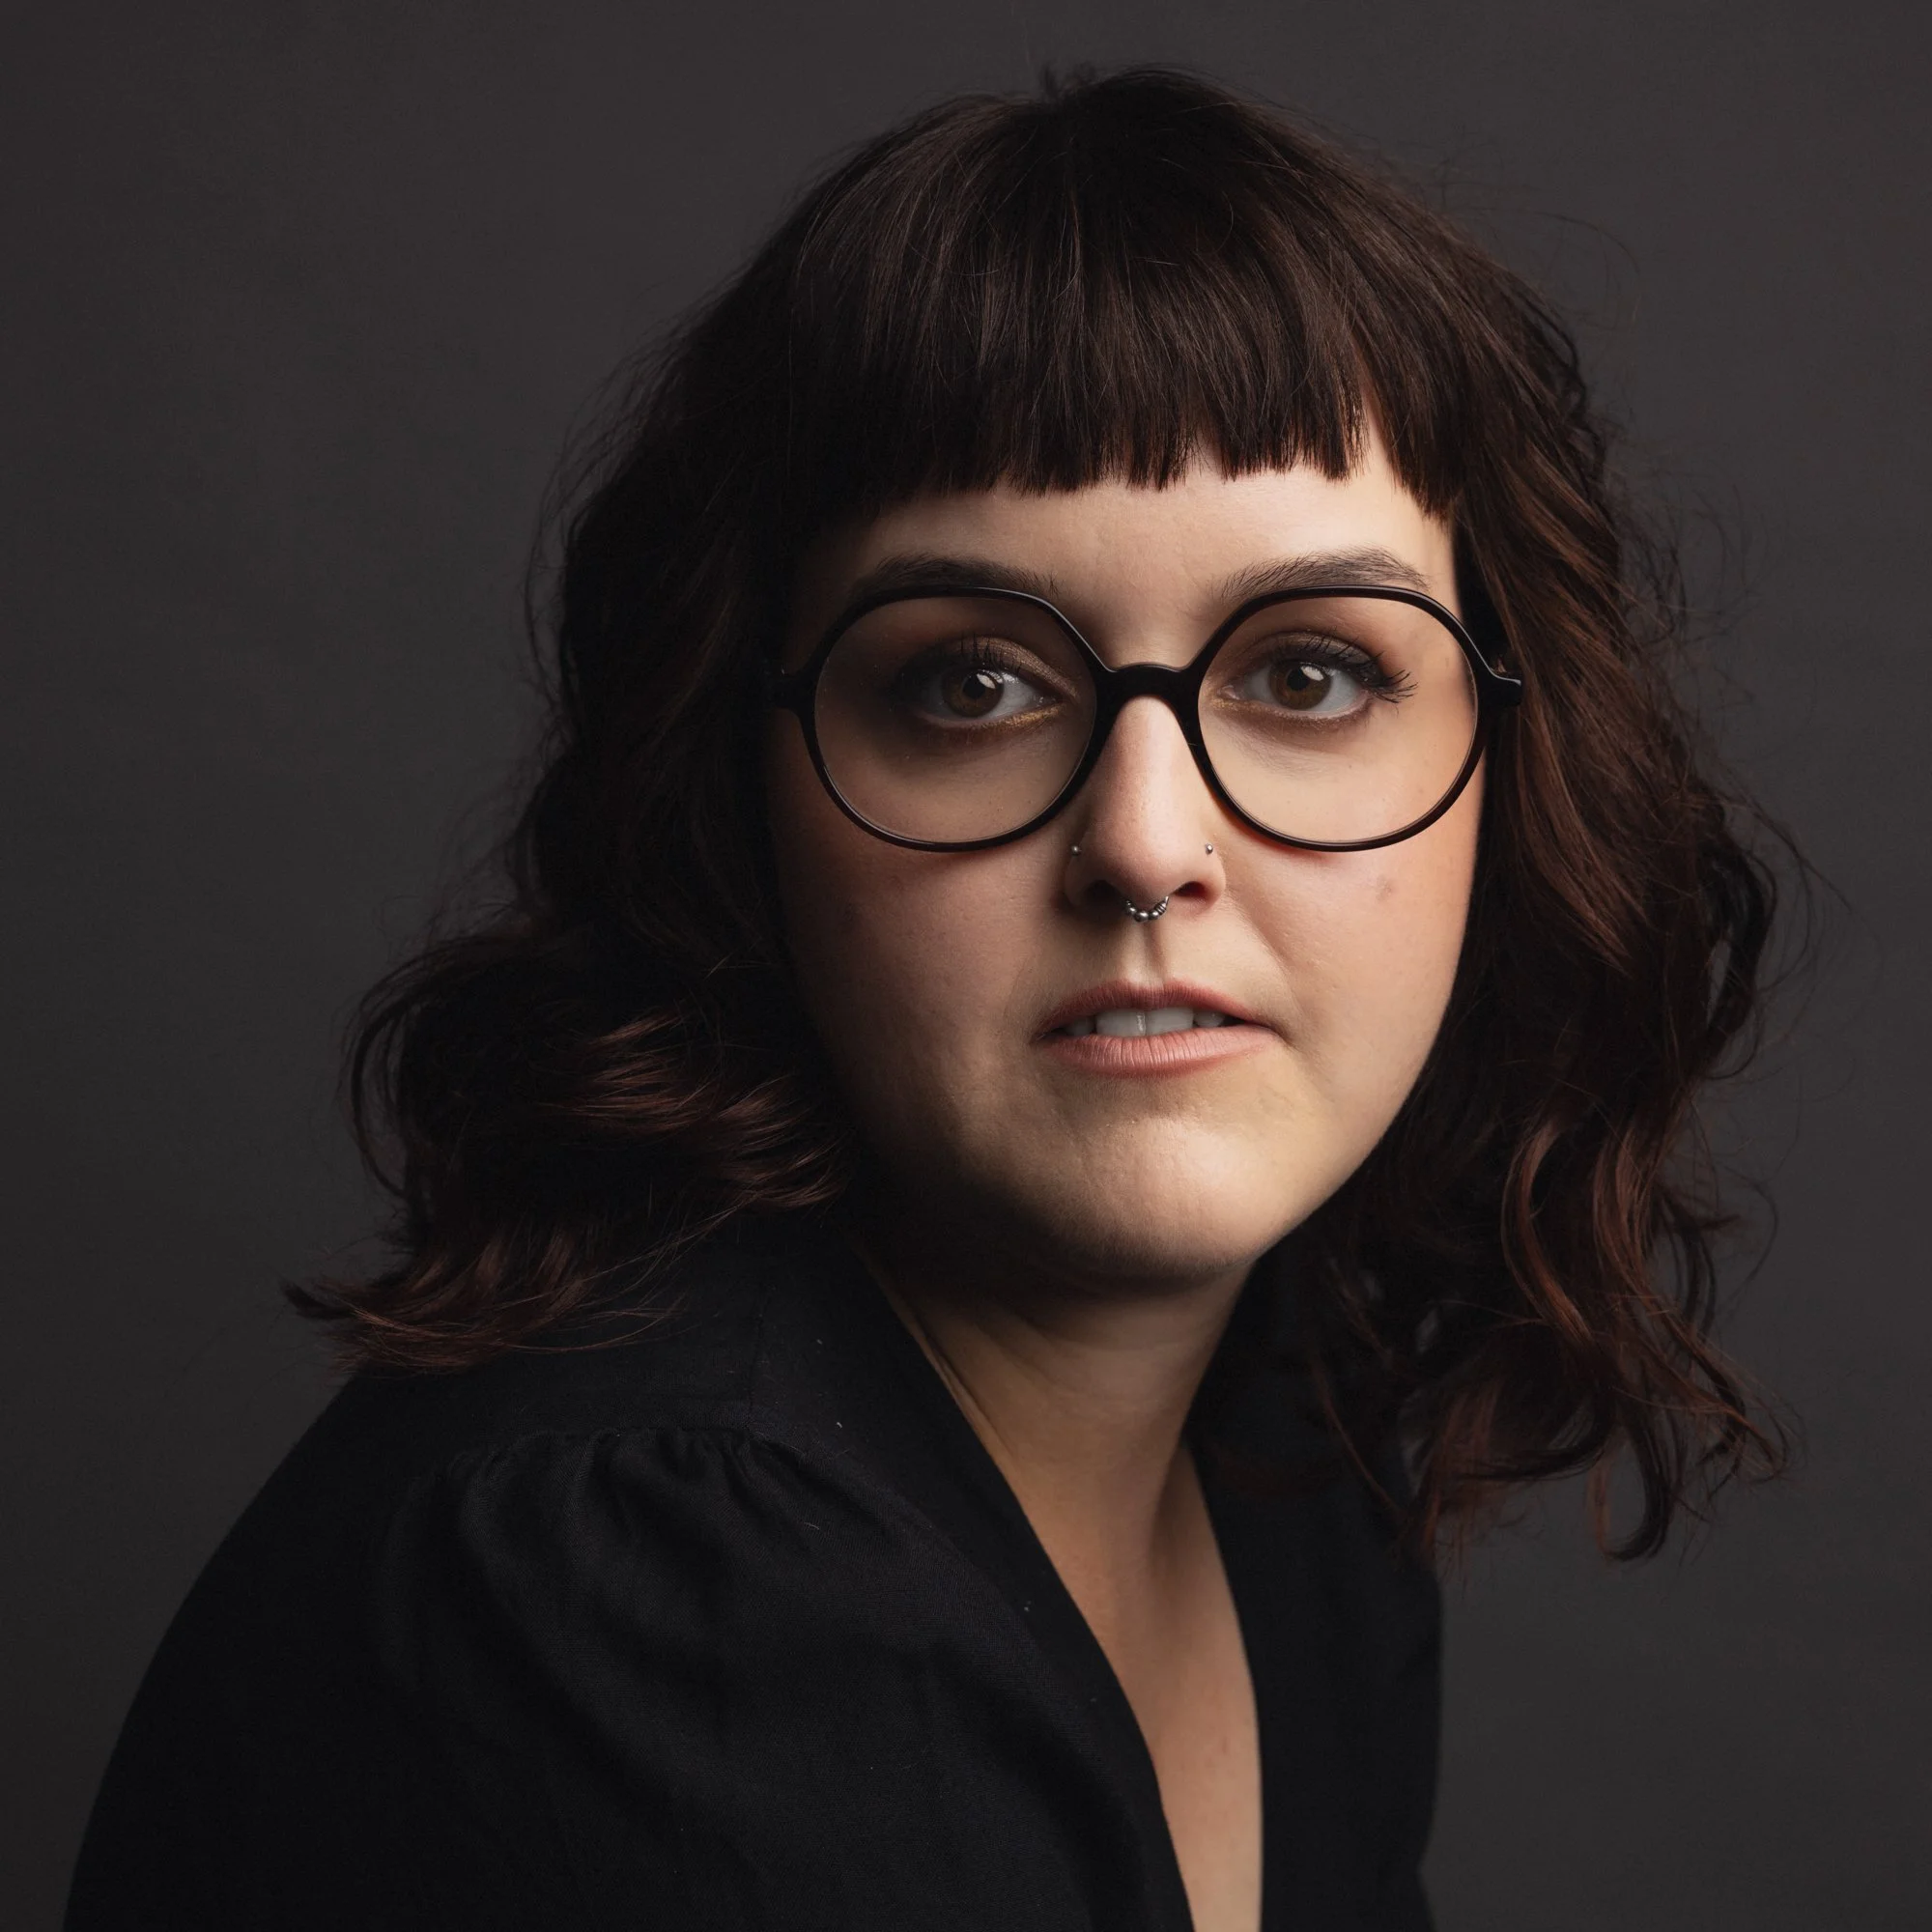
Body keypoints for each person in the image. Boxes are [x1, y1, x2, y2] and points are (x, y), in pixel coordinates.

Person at [66, 67, 1785, 1932]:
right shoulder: (664, 1585)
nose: (1146, 845)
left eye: (1308, 674)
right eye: (973, 685)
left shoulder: (1295, 1445)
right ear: (742, 791)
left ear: (1515, 770)